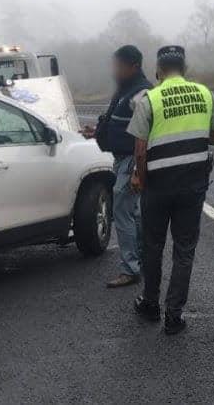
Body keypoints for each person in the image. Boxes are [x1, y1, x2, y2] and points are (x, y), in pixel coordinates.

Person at [126, 45, 214, 335]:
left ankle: (150, 304)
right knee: (184, 249)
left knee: (153, 246)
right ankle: (174, 315)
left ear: (158, 71)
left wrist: (138, 178)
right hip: (193, 185)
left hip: (158, 186)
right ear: (185, 70)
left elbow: (140, 149)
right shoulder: (204, 94)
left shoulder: (151, 98)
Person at [82, 45, 153, 288]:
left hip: (131, 159)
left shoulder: (141, 93)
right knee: (133, 214)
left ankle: (131, 269)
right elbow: (120, 125)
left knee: (122, 214)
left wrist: (137, 171)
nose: (114, 71)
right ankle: (141, 263)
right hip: (122, 158)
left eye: (118, 66)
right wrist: (98, 132)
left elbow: (146, 133)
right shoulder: (126, 90)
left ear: (133, 66)